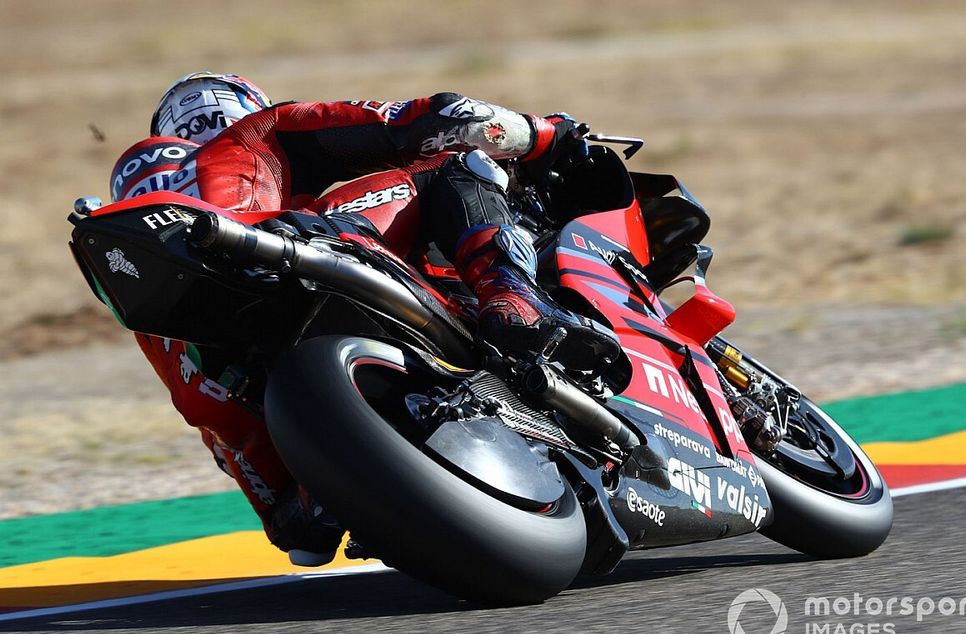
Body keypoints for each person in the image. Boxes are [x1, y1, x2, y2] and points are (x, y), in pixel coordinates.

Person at [110, 71, 619, 566]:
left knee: (297, 527)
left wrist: (291, 505)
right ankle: (513, 299)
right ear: (238, 106)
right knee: (457, 163)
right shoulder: (252, 136)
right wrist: (543, 135)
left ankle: (322, 493)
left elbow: (285, 523)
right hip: (295, 257)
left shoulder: (155, 292)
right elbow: (432, 117)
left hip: (232, 404)